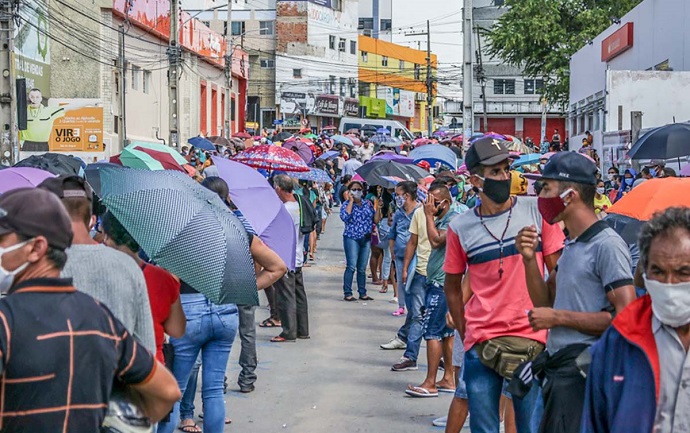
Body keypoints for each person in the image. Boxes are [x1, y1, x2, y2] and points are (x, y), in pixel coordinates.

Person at [0, 188, 180, 431]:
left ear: (36, 248)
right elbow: (167, 391)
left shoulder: (6, 320)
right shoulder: (99, 316)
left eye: (2, 240)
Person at [444, 137, 565, 433]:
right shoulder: (460, 228)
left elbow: (557, 272)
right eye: (494, 171)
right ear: (475, 179)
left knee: (528, 426)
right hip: (481, 342)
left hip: (531, 341)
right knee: (483, 427)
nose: (503, 177)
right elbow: (451, 284)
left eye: (505, 169)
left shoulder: (536, 212)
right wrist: (466, 331)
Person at [517, 151, 636, 433]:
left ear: (570, 195)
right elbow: (544, 302)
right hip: (558, 372)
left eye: (545, 188)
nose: (540, 196)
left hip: (583, 375)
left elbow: (627, 319)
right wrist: (528, 258)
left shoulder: (606, 245)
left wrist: (558, 318)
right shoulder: (573, 243)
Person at [581, 207, 690, 433]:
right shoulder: (618, 341)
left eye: (683, 272)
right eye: (658, 272)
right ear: (645, 274)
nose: (669, 284)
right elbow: (595, 422)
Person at [39, 176, 156, 353]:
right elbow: (147, 349)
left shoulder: (41, 269)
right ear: (92, 220)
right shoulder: (128, 267)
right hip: (118, 377)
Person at [101, 211, 186, 363]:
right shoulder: (164, 278)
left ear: (108, 238)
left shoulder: (100, 275)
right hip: (152, 367)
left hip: (113, 364)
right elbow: (177, 330)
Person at [405, 184, 458, 397]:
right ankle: (447, 378)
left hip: (442, 284)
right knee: (446, 333)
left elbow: (436, 241)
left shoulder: (452, 219)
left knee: (432, 332)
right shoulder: (443, 219)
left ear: (445, 202)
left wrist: (428, 215)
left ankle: (430, 383)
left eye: (434, 202)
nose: (430, 205)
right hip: (438, 281)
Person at [394, 176, 434, 372]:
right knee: (417, 315)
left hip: (442, 276)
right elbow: (412, 242)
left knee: (438, 320)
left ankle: (443, 359)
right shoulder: (419, 214)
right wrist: (404, 268)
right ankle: (411, 356)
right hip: (419, 271)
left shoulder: (455, 216)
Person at [271, 174, 311, 342]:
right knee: (299, 293)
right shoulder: (300, 205)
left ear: (279, 189)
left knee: (286, 295)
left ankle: (288, 331)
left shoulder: (284, 209)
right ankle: (302, 329)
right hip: (298, 254)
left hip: (285, 257)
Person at [380, 181, 419, 347]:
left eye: (398, 194)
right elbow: (392, 233)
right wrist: (393, 252)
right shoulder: (398, 213)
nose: (396, 197)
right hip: (400, 256)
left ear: (407, 195)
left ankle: (408, 339)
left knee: (413, 295)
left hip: (416, 258)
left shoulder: (420, 212)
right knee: (405, 290)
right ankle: (406, 336)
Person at [340, 180, 379, 301]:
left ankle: (362, 292)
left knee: (362, 268)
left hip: (366, 238)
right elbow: (345, 217)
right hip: (352, 237)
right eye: (354, 189)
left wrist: (379, 208)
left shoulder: (368, 203)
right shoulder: (346, 204)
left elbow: (375, 220)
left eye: (359, 189)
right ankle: (348, 292)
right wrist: (351, 201)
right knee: (351, 266)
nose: (357, 192)